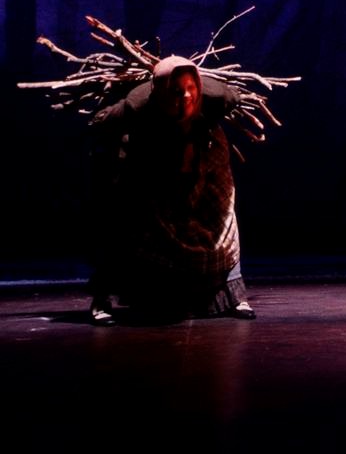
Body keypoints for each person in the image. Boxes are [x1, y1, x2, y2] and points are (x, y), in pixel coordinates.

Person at [86, 55, 256, 324]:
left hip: (206, 162)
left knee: (222, 225)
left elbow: (232, 99)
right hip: (154, 169)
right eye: (176, 91)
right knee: (127, 226)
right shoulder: (138, 106)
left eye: (191, 87)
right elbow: (100, 122)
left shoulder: (216, 98)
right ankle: (102, 299)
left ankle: (235, 296)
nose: (186, 96)